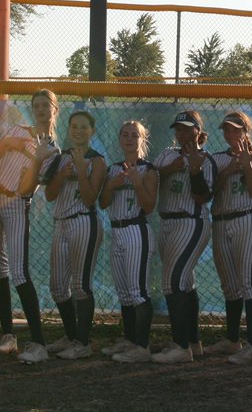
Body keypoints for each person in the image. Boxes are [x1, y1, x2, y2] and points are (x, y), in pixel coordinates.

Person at [0, 89, 60, 364]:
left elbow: (26, 188)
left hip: (17, 205)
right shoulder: (16, 130)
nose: (41, 110)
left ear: (55, 109)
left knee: (19, 272)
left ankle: (38, 342)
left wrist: (37, 158)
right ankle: (8, 336)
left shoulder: (53, 151)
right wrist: (8, 146)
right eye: (37, 105)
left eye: (46, 105)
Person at [151, 110, 217, 365]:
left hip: (191, 221)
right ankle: (192, 341)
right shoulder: (168, 154)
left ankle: (179, 346)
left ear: (198, 131)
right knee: (185, 282)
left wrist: (195, 171)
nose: (181, 133)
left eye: (187, 128)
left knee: (173, 281)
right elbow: (150, 181)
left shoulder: (206, 159)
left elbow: (202, 197)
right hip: (167, 220)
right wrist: (168, 169)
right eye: (178, 128)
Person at [42, 109, 107, 360]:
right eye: (74, 126)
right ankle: (70, 336)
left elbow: (91, 199)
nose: (78, 131)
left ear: (92, 131)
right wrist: (61, 174)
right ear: (68, 130)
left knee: (80, 286)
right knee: (57, 286)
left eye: (84, 127)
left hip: (84, 222)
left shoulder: (97, 160)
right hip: (61, 222)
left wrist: (81, 172)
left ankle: (82, 342)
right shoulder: (59, 158)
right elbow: (49, 195)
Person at [208, 111, 252, 365]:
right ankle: (233, 339)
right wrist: (226, 172)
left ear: (246, 131)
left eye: (236, 130)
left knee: (247, 282)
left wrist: (245, 166)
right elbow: (206, 193)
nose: (231, 135)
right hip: (221, 219)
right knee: (229, 285)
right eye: (227, 130)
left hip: (247, 217)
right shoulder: (216, 159)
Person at [98, 120, 159, 363]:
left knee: (137, 292)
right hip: (117, 231)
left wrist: (136, 181)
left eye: (135, 135)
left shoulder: (149, 170)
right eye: (125, 134)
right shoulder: (113, 169)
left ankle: (142, 346)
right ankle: (130, 339)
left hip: (137, 230)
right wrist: (111, 185)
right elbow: (102, 203)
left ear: (143, 140)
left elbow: (149, 206)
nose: (129, 138)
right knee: (124, 293)